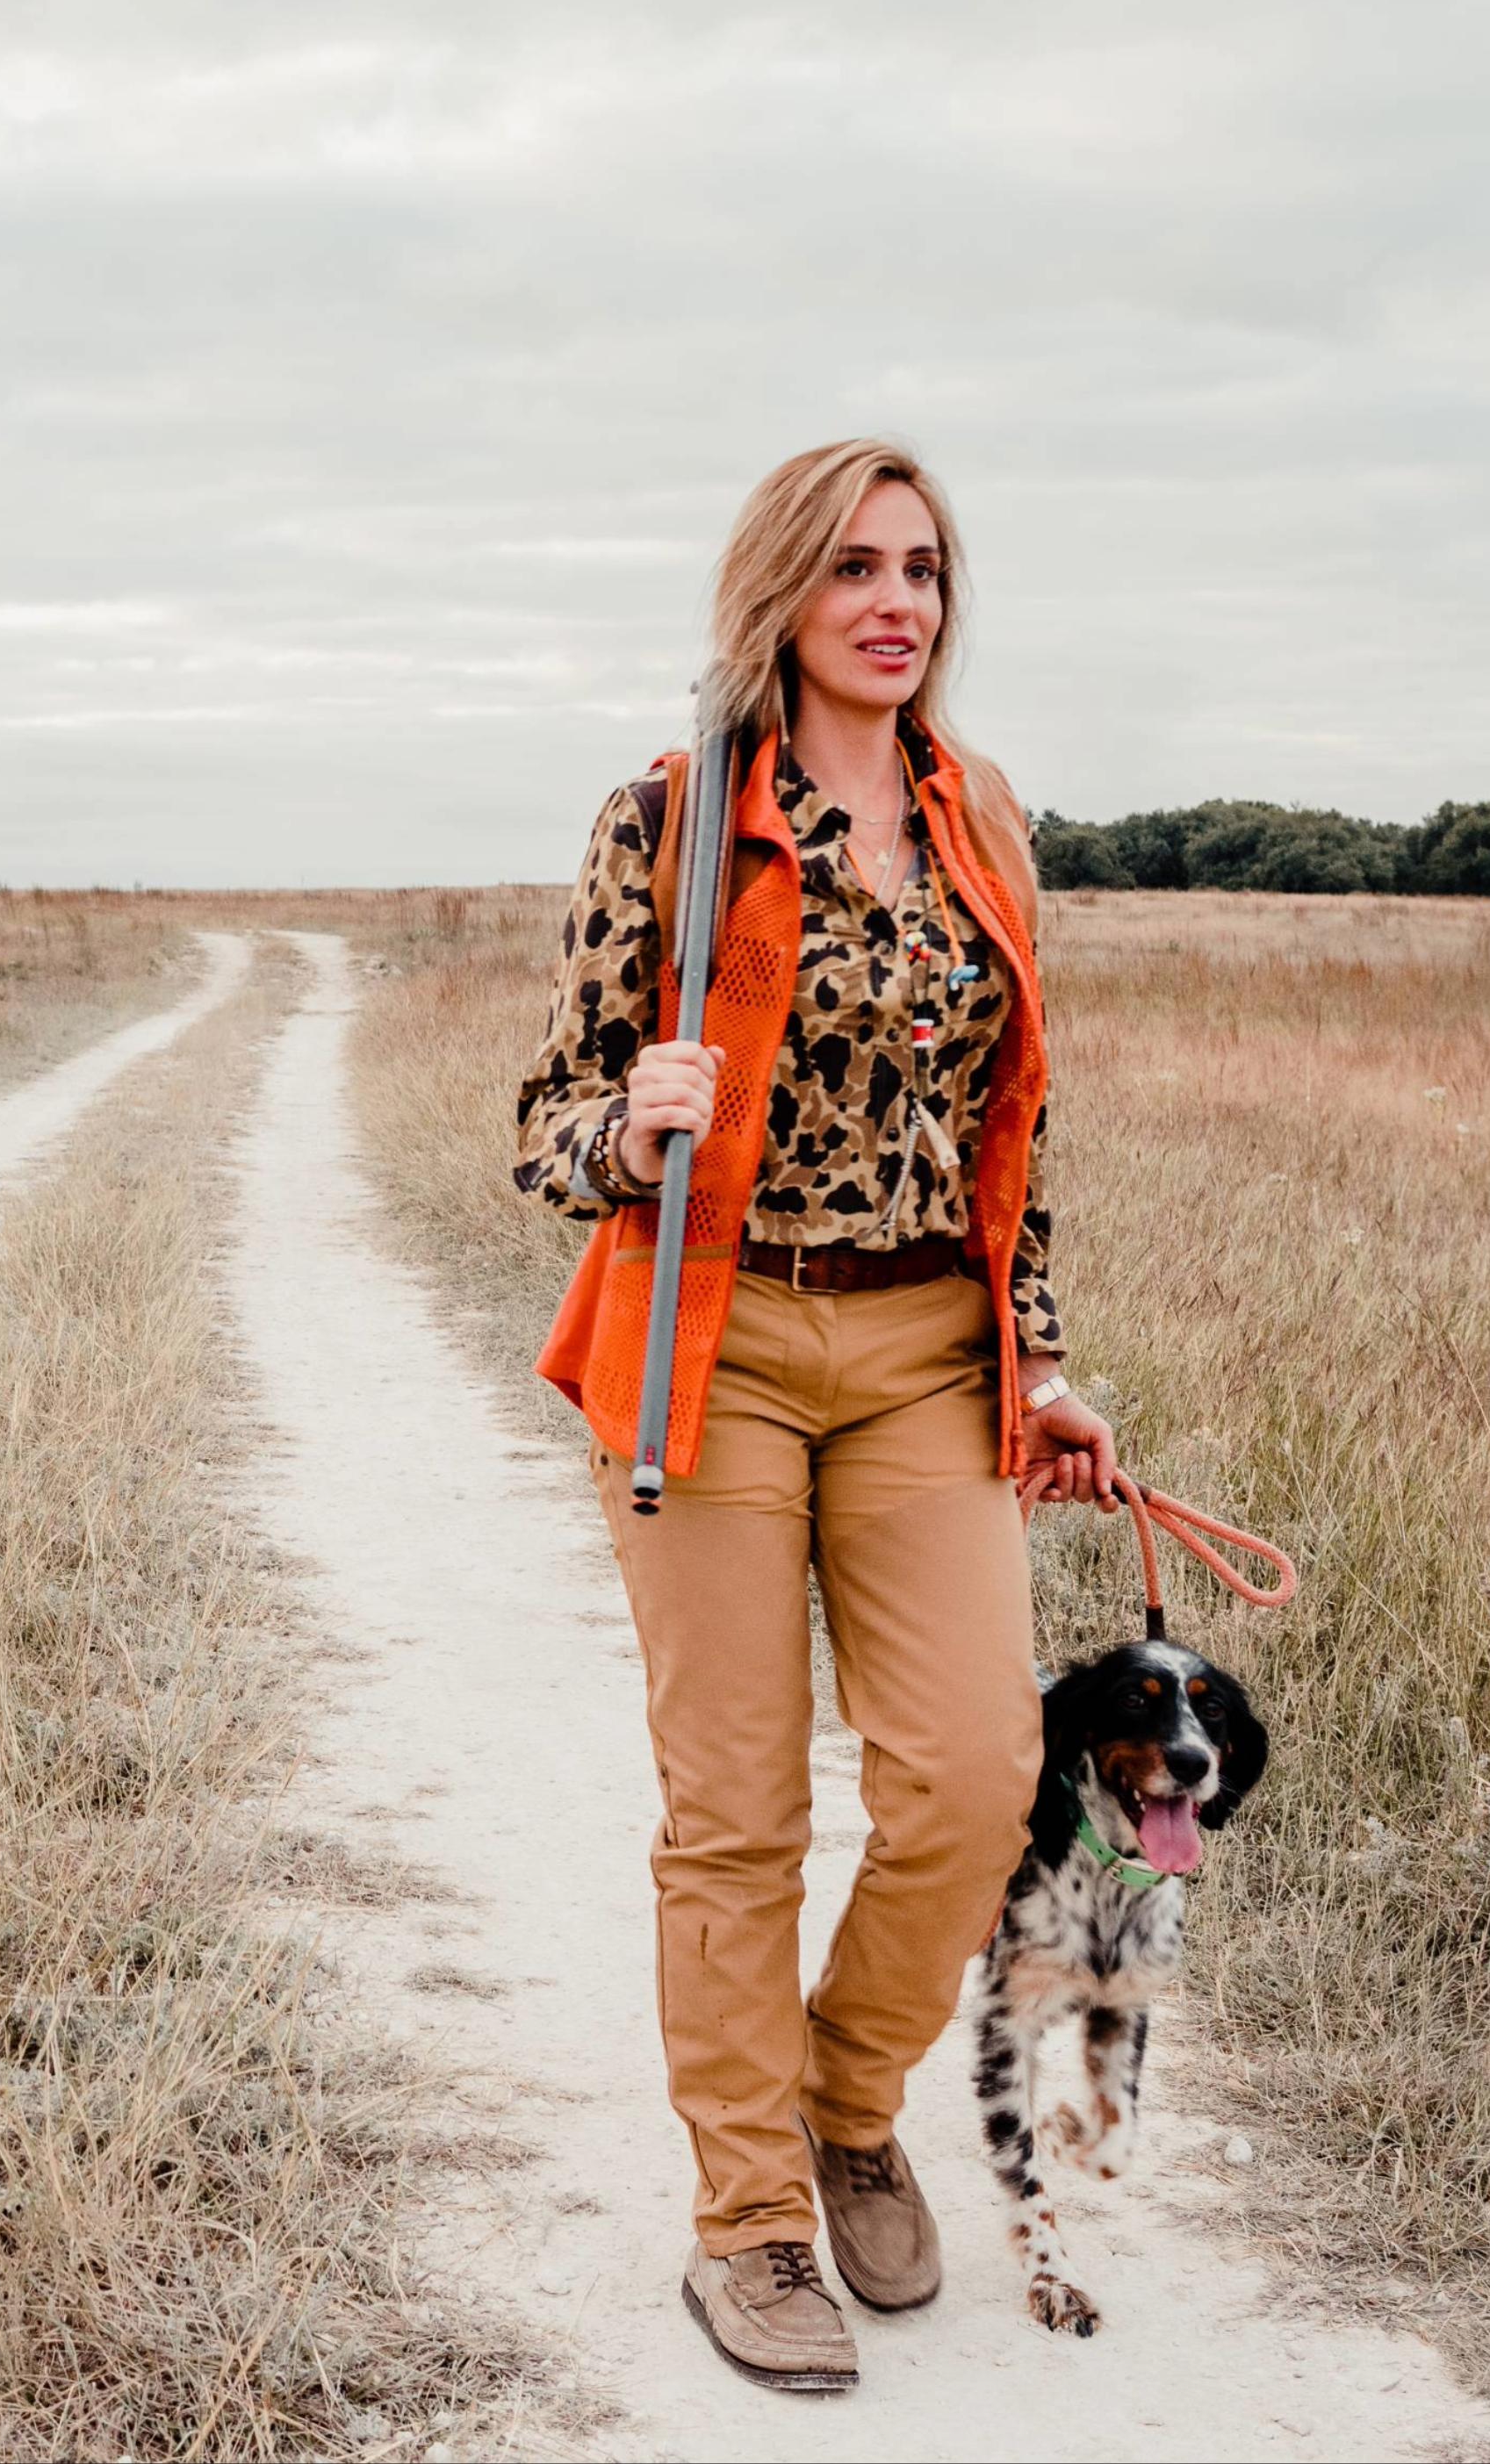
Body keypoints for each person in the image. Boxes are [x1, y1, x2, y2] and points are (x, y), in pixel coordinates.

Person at [514, 436, 1120, 2395]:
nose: (896, 602)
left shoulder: (981, 821)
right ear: (780, 589)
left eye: (925, 570)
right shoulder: (679, 816)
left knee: (971, 1777)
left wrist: (1032, 1358)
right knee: (741, 1810)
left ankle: (847, 2103)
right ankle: (752, 2217)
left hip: (927, 1349)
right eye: (856, 566)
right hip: (720, 1344)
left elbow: (1010, 1128)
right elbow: (545, 1122)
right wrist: (632, 1127)